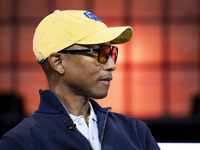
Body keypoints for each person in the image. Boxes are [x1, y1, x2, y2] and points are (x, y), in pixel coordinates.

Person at [0, 10, 160, 150]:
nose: (112, 65)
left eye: (111, 52)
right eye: (101, 52)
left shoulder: (136, 132)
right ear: (58, 62)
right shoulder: (20, 142)